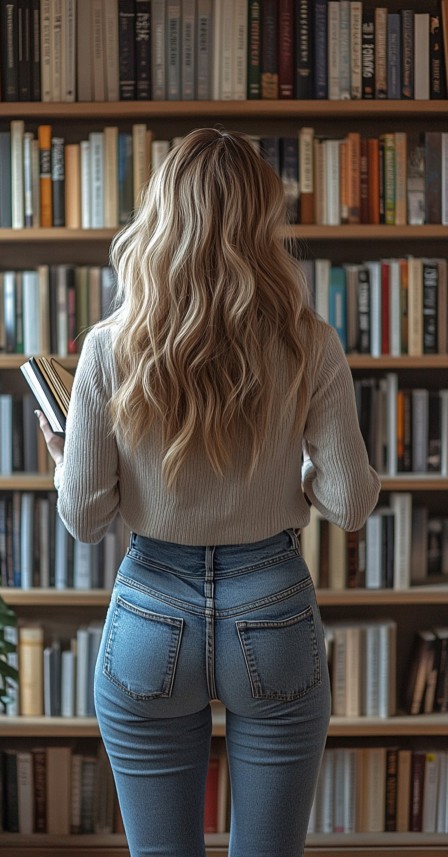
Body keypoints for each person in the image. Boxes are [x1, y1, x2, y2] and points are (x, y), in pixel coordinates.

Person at [37, 127, 380, 857]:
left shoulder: (109, 344)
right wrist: (298, 472)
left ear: (161, 215)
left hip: (152, 608)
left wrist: (67, 454)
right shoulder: (309, 341)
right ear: (261, 219)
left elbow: (86, 517)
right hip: (275, 605)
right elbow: (351, 503)